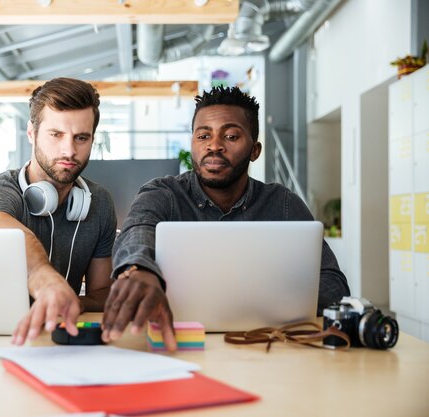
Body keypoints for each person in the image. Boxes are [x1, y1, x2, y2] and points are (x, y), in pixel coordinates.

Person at [101, 85, 350, 351]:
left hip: (266, 348)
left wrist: (257, 299)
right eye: (203, 135)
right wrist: (140, 270)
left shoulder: (284, 205)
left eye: (231, 136)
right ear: (193, 143)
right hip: (179, 345)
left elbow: (334, 286)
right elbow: (137, 230)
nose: (214, 146)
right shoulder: (163, 194)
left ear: (255, 150)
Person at [0, 78, 117, 345]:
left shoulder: (99, 202)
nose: (69, 150)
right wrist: (42, 279)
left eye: (81, 138)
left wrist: (70, 303)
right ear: (32, 133)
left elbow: (102, 292)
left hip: (58, 336)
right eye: (56, 134)